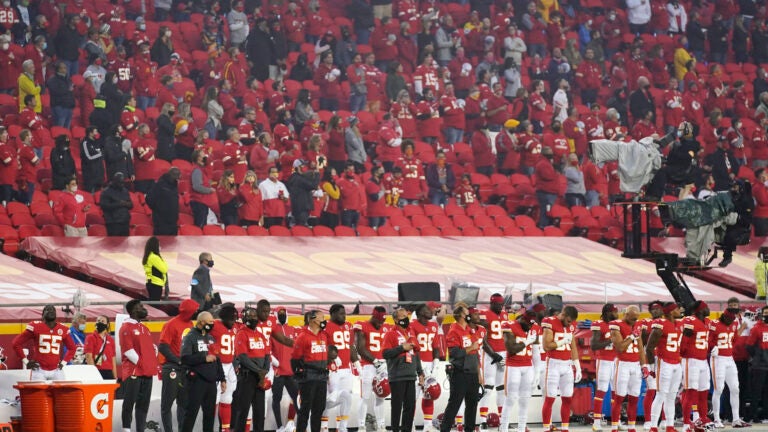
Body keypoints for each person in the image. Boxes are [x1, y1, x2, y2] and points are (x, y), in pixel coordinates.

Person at [440, 302, 482, 432]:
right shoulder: (453, 331)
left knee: (472, 405)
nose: (469, 314)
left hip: (472, 373)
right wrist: (470, 348)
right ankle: (445, 429)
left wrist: (479, 373)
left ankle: (469, 429)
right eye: (467, 313)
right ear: (461, 316)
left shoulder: (470, 330)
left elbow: (476, 353)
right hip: (460, 373)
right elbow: (454, 353)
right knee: (454, 404)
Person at [180, 311, 225, 432]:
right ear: (202, 322)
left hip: (211, 383)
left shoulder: (210, 338)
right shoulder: (190, 336)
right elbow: (184, 358)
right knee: (191, 414)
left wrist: (222, 378)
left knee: (210, 416)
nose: (212, 324)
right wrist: (203, 358)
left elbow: (217, 358)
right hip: (196, 381)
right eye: (210, 322)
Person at [158, 298, 198, 432]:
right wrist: (178, 360)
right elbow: (163, 347)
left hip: (185, 370)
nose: (195, 313)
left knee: (183, 403)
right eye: (194, 311)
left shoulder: (191, 324)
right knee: (167, 404)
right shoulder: (171, 324)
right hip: (172, 368)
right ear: (188, 311)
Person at [383, 307, 425, 432]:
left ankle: (407, 430)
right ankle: (395, 430)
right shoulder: (390, 334)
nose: (405, 319)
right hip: (397, 375)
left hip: (411, 375)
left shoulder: (411, 332)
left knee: (410, 406)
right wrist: (402, 348)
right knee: (396, 407)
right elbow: (385, 353)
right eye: (402, 317)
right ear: (395, 319)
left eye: (406, 316)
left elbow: (416, 353)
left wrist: (420, 372)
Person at [499, 310, 540, 432]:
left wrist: (537, 371)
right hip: (513, 366)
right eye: (528, 324)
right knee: (511, 398)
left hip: (528, 366)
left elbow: (536, 351)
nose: (530, 327)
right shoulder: (509, 325)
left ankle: (521, 428)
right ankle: (504, 428)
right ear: (522, 319)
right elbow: (511, 349)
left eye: (531, 324)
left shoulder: (534, 327)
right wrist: (527, 341)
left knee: (525, 399)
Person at [120, 299, 158, 432]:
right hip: (133, 372)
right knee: (129, 403)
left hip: (146, 372)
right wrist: (143, 364)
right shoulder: (126, 327)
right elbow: (128, 351)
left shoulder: (144, 328)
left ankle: (140, 429)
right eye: (141, 306)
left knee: (143, 405)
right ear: (134, 310)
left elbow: (151, 348)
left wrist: (152, 356)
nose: (144, 308)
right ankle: (126, 429)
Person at [645, 302, 684, 432]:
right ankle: (653, 427)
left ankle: (669, 426)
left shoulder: (679, 324)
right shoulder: (660, 324)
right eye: (678, 309)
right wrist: (651, 367)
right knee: (661, 395)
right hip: (664, 362)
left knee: (671, 397)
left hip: (676, 364)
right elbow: (649, 348)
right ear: (671, 311)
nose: (681, 310)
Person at [541, 306, 580, 432]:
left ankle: (565, 429)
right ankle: (547, 429)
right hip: (553, 365)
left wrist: (577, 366)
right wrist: (562, 341)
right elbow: (546, 346)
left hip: (567, 365)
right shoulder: (549, 321)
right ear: (563, 314)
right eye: (568, 321)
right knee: (550, 398)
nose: (570, 324)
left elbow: (573, 346)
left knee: (568, 398)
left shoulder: (571, 325)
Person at [230, 307, 270, 432]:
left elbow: (267, 355)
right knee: (243, 410)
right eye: (250, 316)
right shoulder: (241, 334)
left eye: (254, 316)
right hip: (247, 377)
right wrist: (259, 371)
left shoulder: (261, 335)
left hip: (260, 377)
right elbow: (242, 357)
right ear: (244, 318)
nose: (253, 318)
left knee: (259, 412)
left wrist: (264, 371)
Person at [608, 306, 647, 432]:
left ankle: (632, 427)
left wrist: (644, 365)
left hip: (635, 365)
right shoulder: (616, 325)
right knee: (619, 397)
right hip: (622, 364)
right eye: (632, 319)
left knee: (634, 398)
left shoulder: (637, 325)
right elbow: (620, 347)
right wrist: (631, 336)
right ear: (625, 315)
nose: (634, 321)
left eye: (636, 319)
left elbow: (640, 347)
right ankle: (614, 427)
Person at [12, 304, 76, 380]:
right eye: (47, 309)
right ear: (42, 315)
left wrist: (64, 362)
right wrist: (26, 361)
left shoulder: (62, 328)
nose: (50, 311)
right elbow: (16, 343)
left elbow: (72, 348)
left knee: (62, 391)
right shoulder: (36, 326)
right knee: (38, 392)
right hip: (39, 370)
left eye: (53, 310)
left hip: (56, 370)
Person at [709, 308, 749, 427]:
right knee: (719, 389)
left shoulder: (734, 323)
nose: (731, 321)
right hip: (718, 359)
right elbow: (707, 340)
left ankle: (736, 419)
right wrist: (712, 347)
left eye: (732, 319)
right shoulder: (714, 324)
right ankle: (716, 419)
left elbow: (735, 339)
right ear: (724, 316)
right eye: (729, 319)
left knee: (735, 388)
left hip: (729, 358)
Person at [292, 310, 330, 432]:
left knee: (318, 410)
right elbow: (295, 359)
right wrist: (300, 376)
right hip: (308, 377)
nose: (324, 320)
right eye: (322, 318)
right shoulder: (303, 337)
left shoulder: (324, 336)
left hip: (322, 378)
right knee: (305, 410)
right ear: (313, 319)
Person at [322, 304, 358, 432]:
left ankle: (342, 427)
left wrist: (356, 362)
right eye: (341, 313)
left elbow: (350, 346)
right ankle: (324, 427)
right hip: (332, 369)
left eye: (344, 313)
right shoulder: (325, 326)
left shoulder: (348, 326)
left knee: (346, 397)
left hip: (346, 369)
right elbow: (322, 347)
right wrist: (330, 358)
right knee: (327, 398)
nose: (344, 316)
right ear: (332, 314)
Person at [355, 306, 390, 431]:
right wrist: (375, 361)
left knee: (381, 395)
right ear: (373, 316)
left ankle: (381, 425)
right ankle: (361, 425)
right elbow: (360, 347)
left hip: (383, 365)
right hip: (368, 365)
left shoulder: (386, 328)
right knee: (365, 396)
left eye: (383, 320)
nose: (381, 323)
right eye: (379, 320)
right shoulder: (362, 326)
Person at [680, 301, 713, 429]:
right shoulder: (690, 321)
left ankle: (702, 419)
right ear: (700, 310)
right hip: (691, 360)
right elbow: (684, 341)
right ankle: (686, 423)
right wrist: (684, 354)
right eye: (706, 308)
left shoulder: (707, 322)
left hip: (703, 361)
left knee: (703, 392)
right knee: (690, 392)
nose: (708, 310)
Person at [410, 303, 442, 430]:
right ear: (421, 313)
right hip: (417, 364)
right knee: (413, 397)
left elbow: (435, 347)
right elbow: (413, 348)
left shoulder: (434, 325)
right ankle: (410, 424)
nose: (430, 311)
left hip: (430, 363)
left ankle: (427, 425)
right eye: (427, 310)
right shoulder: (412, 325)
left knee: (430, 394)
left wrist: (436, 362)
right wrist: (419, 368)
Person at [478, 294, 508, 424]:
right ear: (491, 303)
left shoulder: (504, 315)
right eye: (498, 304)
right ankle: (482, 420)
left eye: (502, 304)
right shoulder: (484, 314)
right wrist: (493, 354)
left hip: (503, 353)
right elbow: (482, 337)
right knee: (488, 387)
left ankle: (502, 419)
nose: (500, 307)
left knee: (501, 388)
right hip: (490, 354)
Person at [271, 306, 299, 432]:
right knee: (276, 399)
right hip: (277, 371)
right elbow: (268, 349)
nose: (282, 314)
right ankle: (279, 427)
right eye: (279, 313)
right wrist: (274, 362)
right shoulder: (273, 330)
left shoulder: (292, 329)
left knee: (297, 398)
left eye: (284, 312)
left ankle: (302, 425)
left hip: (290, 371)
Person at [590, 304, 619, 431]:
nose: (617, 314)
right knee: (601, 390)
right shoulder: (599, 325)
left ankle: (615, 421)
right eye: (614, 312)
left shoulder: (617, 324)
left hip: (617, 360)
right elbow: (594, 345)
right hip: (604, 360)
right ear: (607, 313)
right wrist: (610, 341)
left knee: (616, 392)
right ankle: (596, 423)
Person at [746, 306, 768, 422]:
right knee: (756, 392)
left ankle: (765, 415)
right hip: (759, 366)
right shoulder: (756, 328)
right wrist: (758, 357)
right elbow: (749, 346)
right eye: (765, 313)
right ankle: (753, 416)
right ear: (761, 314)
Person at [146, 167, 181, 236]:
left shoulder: (174, 185)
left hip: (173, 223)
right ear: (172, 175)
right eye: (177, 177)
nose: (178, 179)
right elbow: (149, 199)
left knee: (172, 245)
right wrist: (158, 209)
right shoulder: (159, 184)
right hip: (161, 222)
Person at [287, 159, 320, 227]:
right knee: (301, 227)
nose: (305, 167)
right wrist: (317, 174)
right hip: (302, 207)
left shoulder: (296, 177)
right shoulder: (298, 178)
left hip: (300, 207)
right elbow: (314, 185)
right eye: (303, 165)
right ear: (298, 167)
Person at [84, 315, 118, 379]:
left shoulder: (110, 339)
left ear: (107, 325)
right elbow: (88, 357)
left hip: (109, 372)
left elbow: (113, 359)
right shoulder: (90, 338)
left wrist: (115, 377)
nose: (100, 322)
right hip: (97, 371)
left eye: (102, 321)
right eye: (98, 321)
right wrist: (94, 374)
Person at [190, 149, 218, 227]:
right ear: (198, 157)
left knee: (203, 224)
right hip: (198, 201)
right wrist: (209, 190)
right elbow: (196, 186)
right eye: (203, 154)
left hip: (202, 201)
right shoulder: (197, 170)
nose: (205, 155)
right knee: (200, 225)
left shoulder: (202, 170)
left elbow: (207, 182)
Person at [99, 172, 133, 236]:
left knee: (125, 244)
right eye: (120, 182)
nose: (122, 184)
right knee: (114, 244)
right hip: (113, 223)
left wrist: (125, 204)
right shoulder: (106, 192)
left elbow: (131, 205)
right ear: (114, 181)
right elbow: (104, 206)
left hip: (125, 222)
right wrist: (119, 204)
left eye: (123, 182)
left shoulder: (125, 190)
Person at [142, 236, 168, 301]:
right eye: (159, 245)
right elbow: (164, 269)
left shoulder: (149, 256)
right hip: (156, 284)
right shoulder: (154, 257)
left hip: (151, 283)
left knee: (153, 303)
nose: (160, 247)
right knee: (154, 304)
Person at [80, 126, 105, 193]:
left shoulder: (97, 142)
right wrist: (100, 154)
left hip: (99, 173)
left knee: (99, 193)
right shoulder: (85, 143)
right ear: (90, 133)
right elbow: (88, 157)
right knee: (90, 193)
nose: (97, 133)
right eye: (95, 131)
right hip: (90, 173)